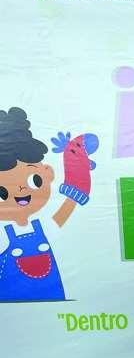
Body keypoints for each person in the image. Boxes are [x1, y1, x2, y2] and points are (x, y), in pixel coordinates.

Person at [0, 107, 97, 302]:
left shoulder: (42, 223)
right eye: (3, 192)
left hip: (52, 302)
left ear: (48, 173)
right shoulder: (3, 234)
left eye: (34, 180)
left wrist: (75, 189)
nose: (21, 190)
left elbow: (60, 218)